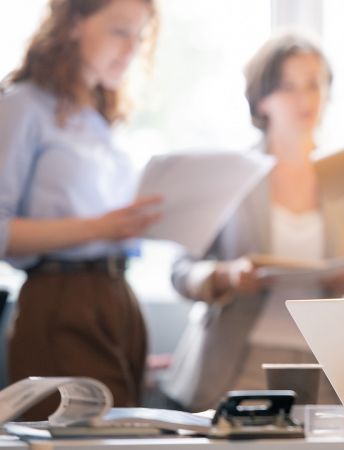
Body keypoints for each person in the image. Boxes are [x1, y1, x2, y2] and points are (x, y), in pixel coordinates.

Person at [160, 32, 344, 412]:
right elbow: (181, 271)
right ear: (261, 99)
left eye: (314, 84)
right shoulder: (229, 176)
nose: (305, 98)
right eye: (288, 87)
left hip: (328, 367)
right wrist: (227, 276)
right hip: (238, 362)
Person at [0, 0, 162, 419]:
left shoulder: (100, 119)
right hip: (62, 299)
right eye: (119, 31)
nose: (131, 49)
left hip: (117, 299)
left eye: (139, 37)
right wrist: (99, 228)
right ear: (73, 25)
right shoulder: (23, 106)